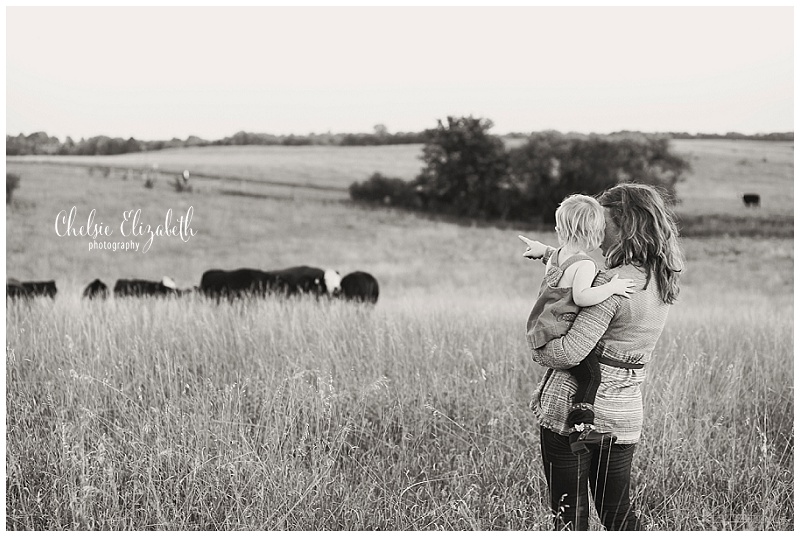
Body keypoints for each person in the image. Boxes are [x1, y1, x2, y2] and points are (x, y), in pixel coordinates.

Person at [523, 183, 684, 531]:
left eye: (603, 221)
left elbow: (569, 353)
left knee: (570, 518)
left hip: (575, 409)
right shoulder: (659, 278)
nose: (597, 228)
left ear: (623, 225)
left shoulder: (612, 284)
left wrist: (539, 345)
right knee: (619, 515)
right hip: (625, 409)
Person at [519, 194, 635, 454]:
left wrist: (542, 249)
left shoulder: (557, 257)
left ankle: (578, 427)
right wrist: (612, 287)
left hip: (543, 333)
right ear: (594, 234)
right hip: (559, 337)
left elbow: (557, 269)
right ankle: (582, 430)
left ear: (561, 228)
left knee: (583, 373)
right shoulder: (585, 264)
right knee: (592, 375)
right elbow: (583, 296)